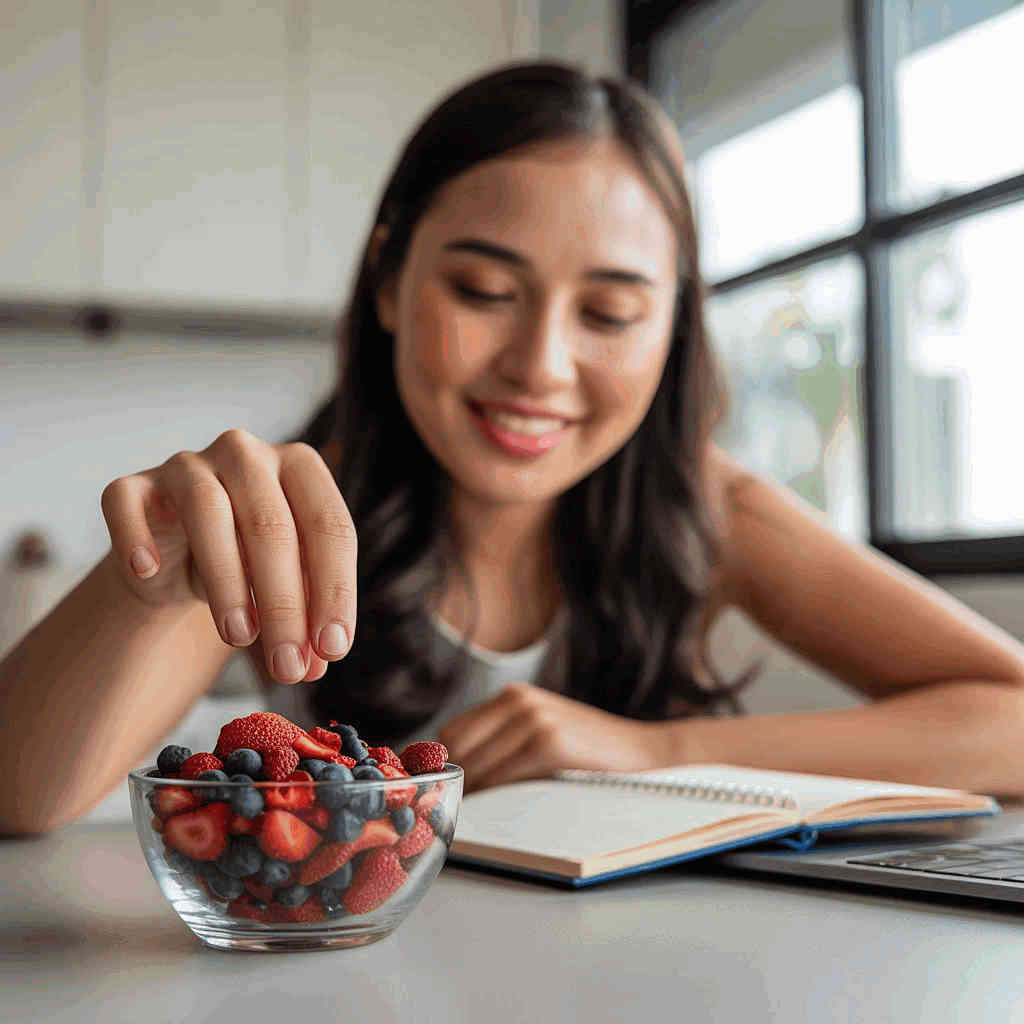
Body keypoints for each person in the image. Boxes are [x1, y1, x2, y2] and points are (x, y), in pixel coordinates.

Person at [3, 61, 1024, 837]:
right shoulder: (292, 517)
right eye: (484, 293)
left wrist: (654, 751)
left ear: (671, 328)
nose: (540, 365)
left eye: (612, 312)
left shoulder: (706, 512)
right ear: (390, 280)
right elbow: (21, 799)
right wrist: (142, 594)